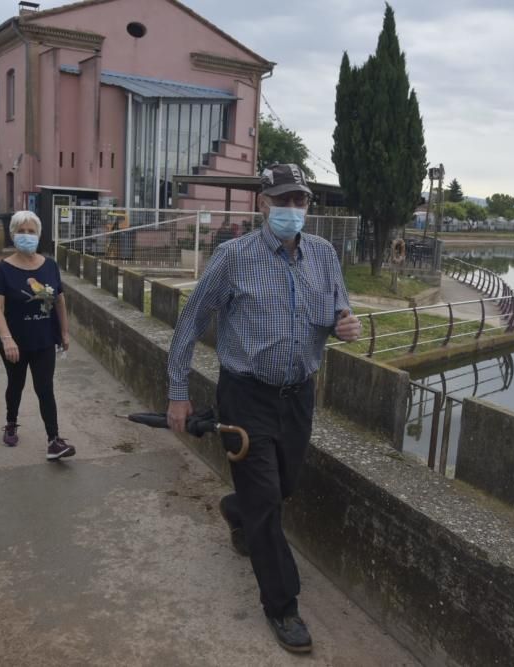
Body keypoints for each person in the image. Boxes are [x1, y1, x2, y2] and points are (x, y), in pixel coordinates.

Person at [165, 164, 361, 653]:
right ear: (262, 204)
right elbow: (190, 321)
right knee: (268, 502)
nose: (292, 209)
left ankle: (236, 509)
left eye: (300, 201)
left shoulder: (323, 255)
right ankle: (282, 605)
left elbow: (339, 310)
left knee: (283, 485)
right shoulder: (234, 257)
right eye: (282, 200)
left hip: (298, 396)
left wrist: (345, 324)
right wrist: (177, 391)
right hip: (245, 396)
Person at [0, 210, 75, 461]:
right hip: (15, 343)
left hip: (44, 340)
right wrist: (7, 339)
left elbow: (59, 301)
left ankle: (54, 441)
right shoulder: (3, 270)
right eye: (21, 231)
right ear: (13, 235)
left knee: (45, 388)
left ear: (39, 235)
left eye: (31, 231)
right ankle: (11, 422)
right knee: (16, 385)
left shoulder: (50, 266)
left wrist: (64, 333)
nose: (26, 236)